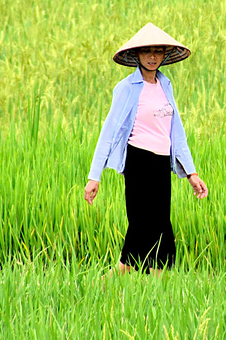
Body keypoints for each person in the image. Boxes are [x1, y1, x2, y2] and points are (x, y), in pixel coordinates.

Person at [84, 23, 208, 272]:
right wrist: (94, 176)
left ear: (164, 55)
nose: (153, 57)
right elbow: (108, 133)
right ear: (137, 55)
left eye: (158, 52)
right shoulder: (127, 88)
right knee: (142, 227)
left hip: (162, 164)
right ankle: (109, 286)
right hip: (138, 161)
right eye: (147, 52)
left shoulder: (165, 85)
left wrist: (191, 173)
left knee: (162, 227)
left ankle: (156, 294)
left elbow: (177, 133)